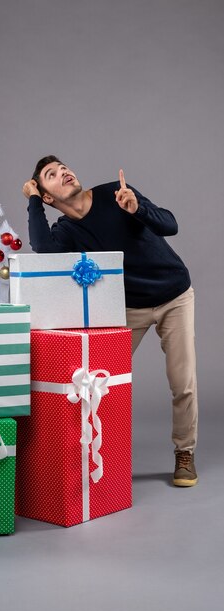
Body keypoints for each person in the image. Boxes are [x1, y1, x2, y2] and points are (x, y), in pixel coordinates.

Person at [23, 155, 198, 487]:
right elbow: (43, 247)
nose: (64, 172)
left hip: (174, 295)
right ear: (47, 196)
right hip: (129, 309)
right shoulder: (67, 232)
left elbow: (170, 224)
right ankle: (99, 456)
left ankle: (184, 453)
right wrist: (32, 199)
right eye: (51, 175)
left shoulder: (115, 194)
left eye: (63, 167)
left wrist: (138, 209)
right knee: (99, 383)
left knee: (183, 383)